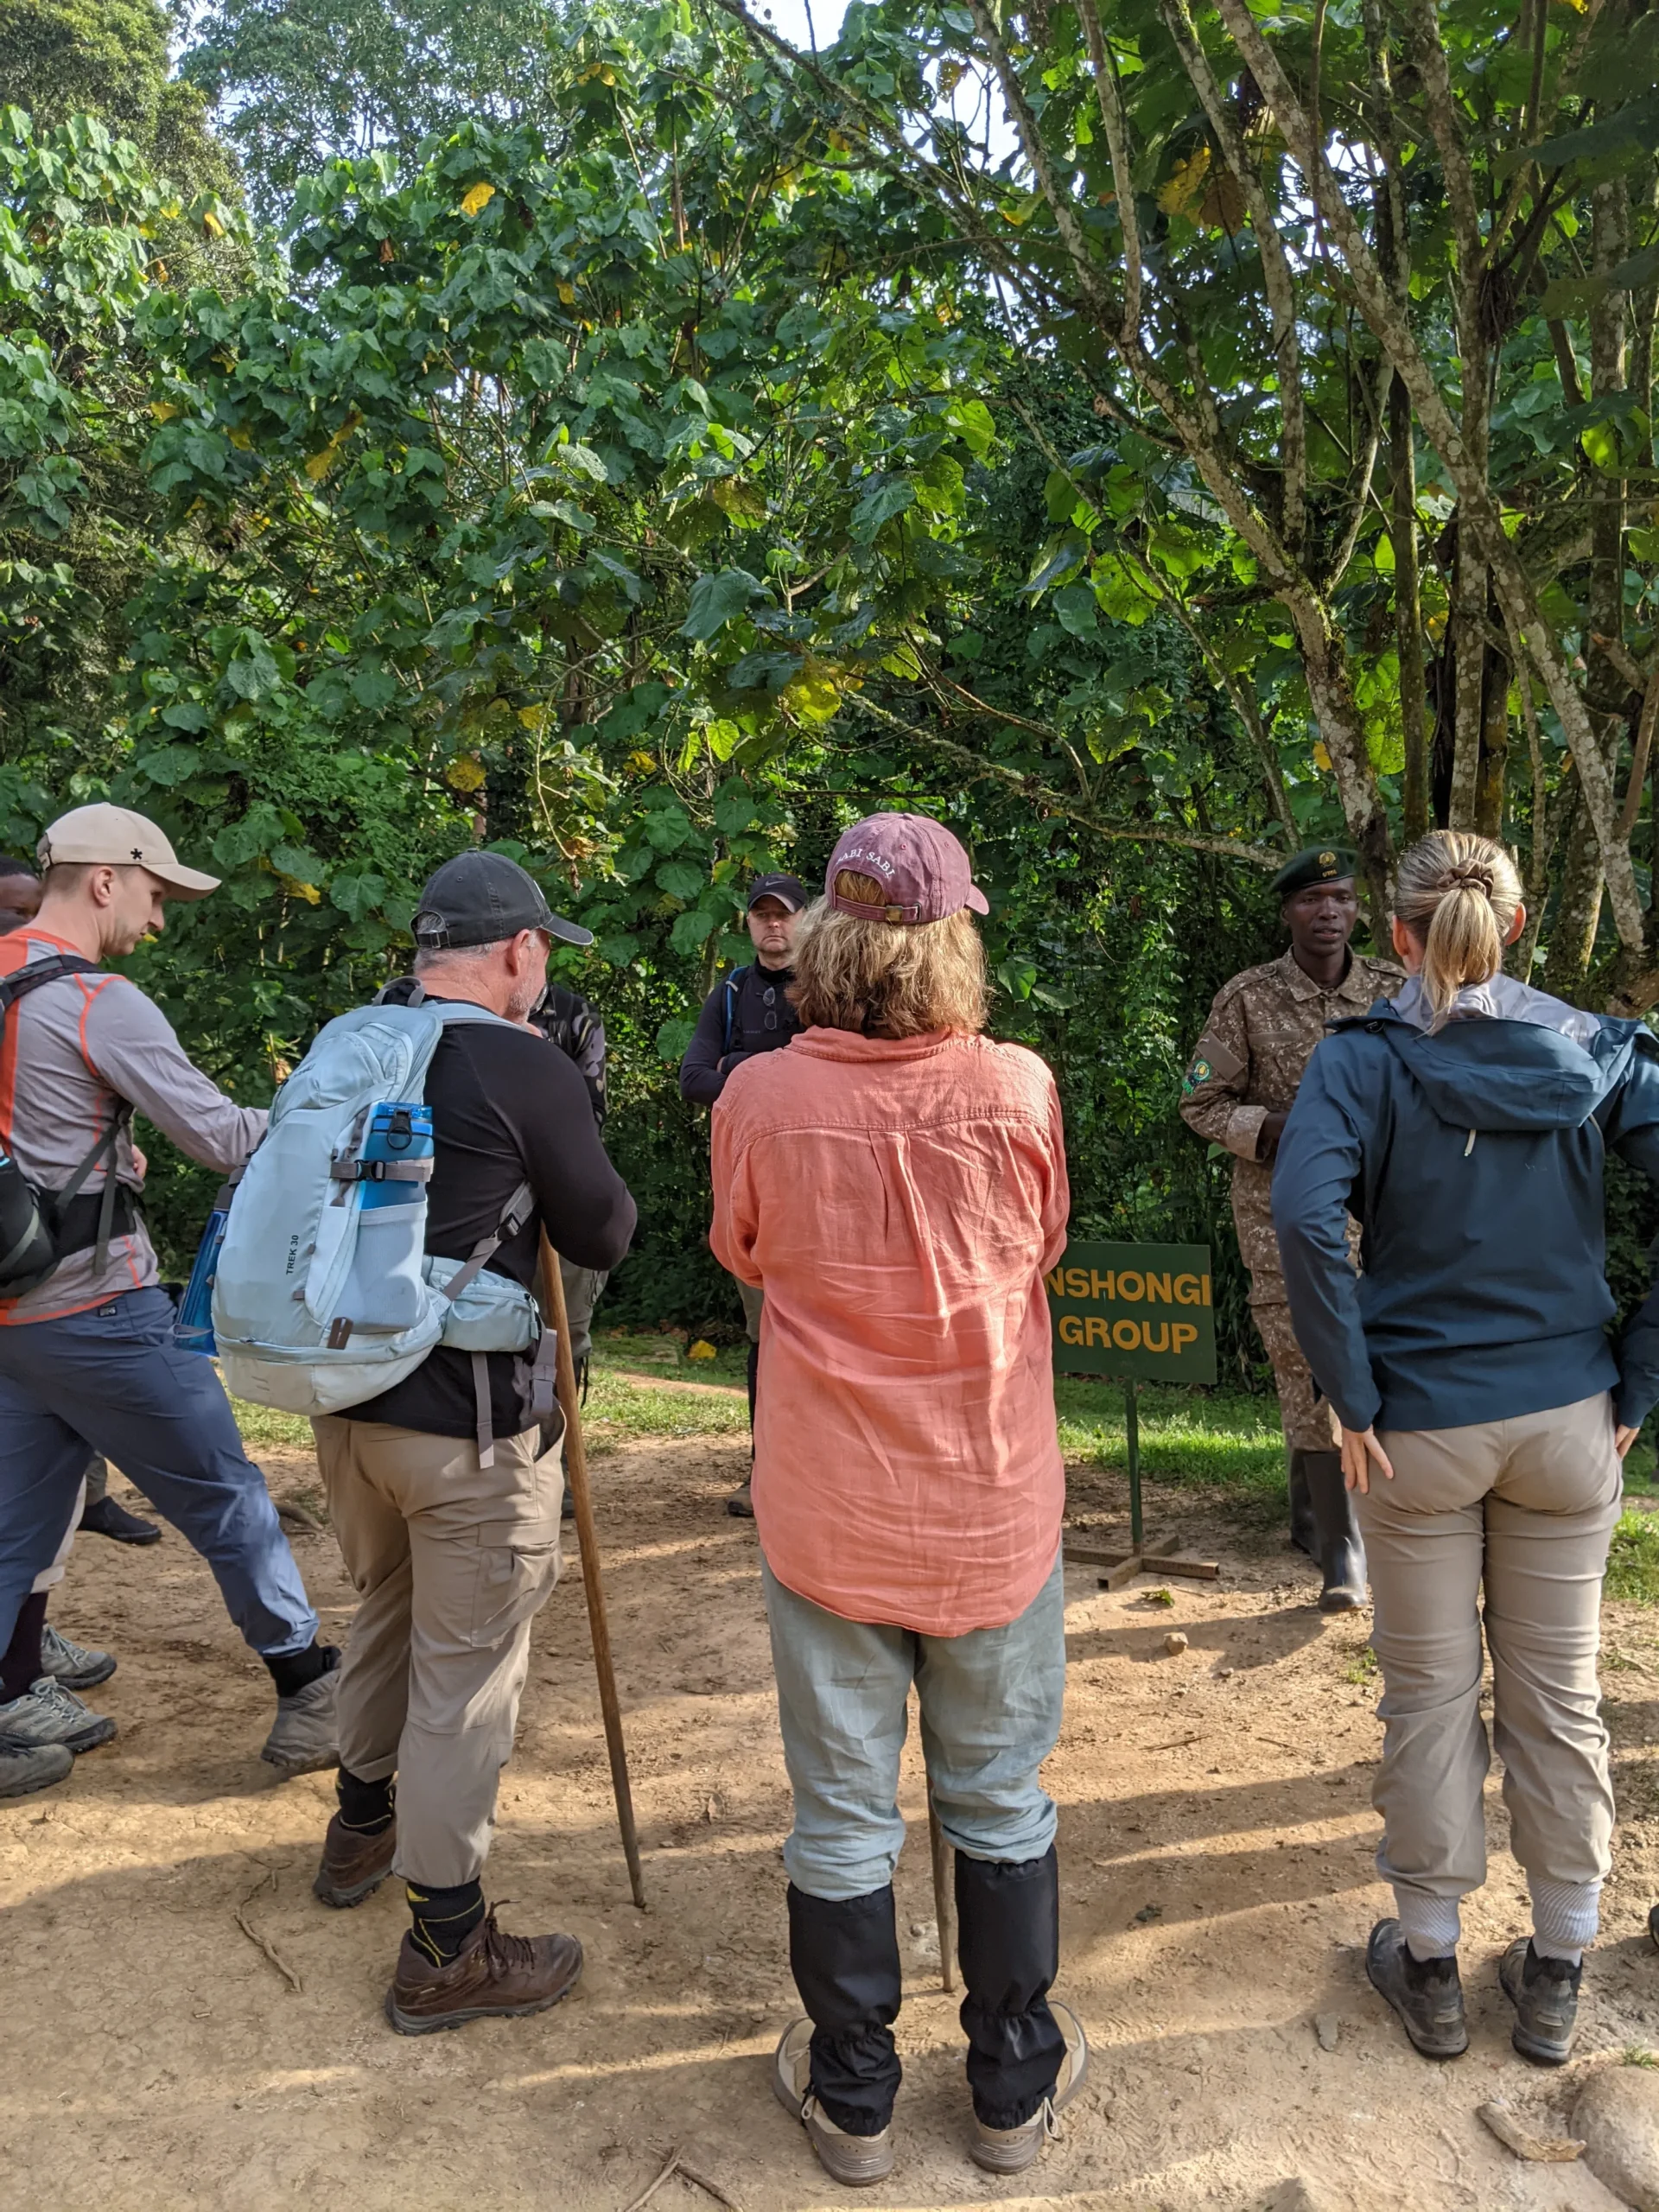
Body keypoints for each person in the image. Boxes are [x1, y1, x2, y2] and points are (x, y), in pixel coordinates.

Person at [711, 815, 1086, 2188]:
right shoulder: (1021, 1088)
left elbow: (741, 1251)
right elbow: (1039, 1246)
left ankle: (855, 2098)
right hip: (989, 1499)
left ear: (825, 937)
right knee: (998, 1798)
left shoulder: (756, 1095)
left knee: (841, 1811)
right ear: (951, 945)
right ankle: (1010, 2091)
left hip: (827, 1507)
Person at [1273, 829, 1659, 2069]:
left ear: (1396, 935)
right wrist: (1638, 1375)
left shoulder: (1362, 1060)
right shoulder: (1596, 1049)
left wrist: (1354, 1391)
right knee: (1559, 1698)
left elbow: (1300, 1211)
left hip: (1418, 1433)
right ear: (1519, 927)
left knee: (1429, 1698)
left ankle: (1431, 1963)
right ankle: (1558, 1965)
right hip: (1567, 1420)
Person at [308, 851, 637, 2037]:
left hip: (347, 1407)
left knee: (385, 1610)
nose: (544, 969)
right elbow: (603, 1227)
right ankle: (446, 1948)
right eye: (544, 948)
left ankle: (358, 1829)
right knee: (465, 1679)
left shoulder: (347, 1043)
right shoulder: (520, 1059)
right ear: (518, 950)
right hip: (472, 1427)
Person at [0, 804, 340, 1800]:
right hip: (99, 1309)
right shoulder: (100, 1001)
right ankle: (308, 1682)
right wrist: (330, 1126)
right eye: (154, 895)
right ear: (105, 880)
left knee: (15, 1528)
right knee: (227, 1494)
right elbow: (228, 1139)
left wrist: (98, 1159)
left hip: (12, 1318)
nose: (157, 921)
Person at [1180, 846, 1403, 1610]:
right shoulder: (1246, 999)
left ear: (1357, 909)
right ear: (1288, 913)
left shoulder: (1396, 990)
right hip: (1284, 1218)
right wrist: (1282, 1128)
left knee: (1386, 1351)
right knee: (1304, 1364)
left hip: (1388, 1213)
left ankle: (1339, 1513)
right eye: (1312, 900)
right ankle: (1340, 1548)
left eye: (1341, 897)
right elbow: (1199, 1102)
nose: (1330, 913)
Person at [681, 871, 808, 1516]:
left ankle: (820, 1474)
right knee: (766, 1338)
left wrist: (742, 1071)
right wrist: (778, 1066)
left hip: (825, 1193)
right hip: (751, 1198)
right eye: (762, 916)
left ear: (806, 920)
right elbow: (694, 1077)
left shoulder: (830, 986)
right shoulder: (729, 993)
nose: (773, 926)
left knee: (826, 1336)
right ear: (748, 925)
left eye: (783, 914)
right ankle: (765, 1471)